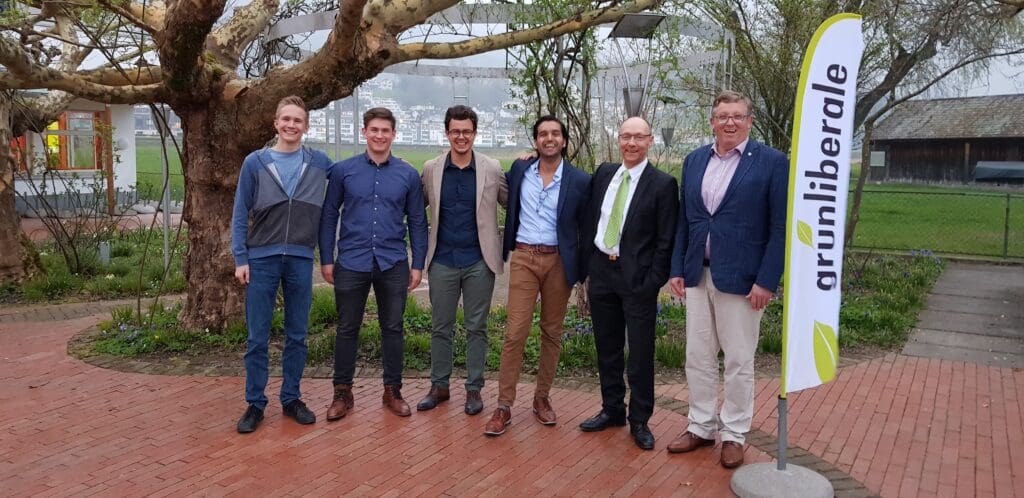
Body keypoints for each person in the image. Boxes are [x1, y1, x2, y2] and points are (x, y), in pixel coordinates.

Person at [666, 91, 787, 468]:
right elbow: (686, 220)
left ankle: (734, 433)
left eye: (737, 116)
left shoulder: (772, 162)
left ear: (750, 121)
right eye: (722, 116)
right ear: (712, 122)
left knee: (738, 360)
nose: (729, 122)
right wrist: (676, 268)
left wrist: (767, 280)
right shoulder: (694, 160)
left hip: (744, 280)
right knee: (697, 356)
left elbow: (780, 227)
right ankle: (701, 426)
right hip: (697, 275)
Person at [483, 115, 591, 436]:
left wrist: (582, 267)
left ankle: (541, 398)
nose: (549, 138)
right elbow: (493, 182)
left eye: (555, 133)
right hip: (524, 258)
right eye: (543, 134)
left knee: (552, 332)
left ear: (564, 141)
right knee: (515, 332)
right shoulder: (520, 170)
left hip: (559, 261)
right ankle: (504, 406)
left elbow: (586, 226)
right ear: (535, 141)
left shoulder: (579, 180)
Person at [232, 95, 333, 433]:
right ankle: (255, 403)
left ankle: (291, 398)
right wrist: (241, 257)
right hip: (261, 258)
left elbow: (351, 177)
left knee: (298, 334)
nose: (291, 125)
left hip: (300, 259)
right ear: (276, 123)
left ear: (306, 126)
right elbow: (239, 212)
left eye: (297, 120)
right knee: (257, 337)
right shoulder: (255, 163)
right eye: (286, 119)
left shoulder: (319, 162)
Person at [320, 107, 428, 419]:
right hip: (351, 260)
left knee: (393, 327)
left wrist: (417, 264)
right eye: (374, 130)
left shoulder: (408, 175)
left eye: (385, 130)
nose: (379, 135)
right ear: (364, 132)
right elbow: (329, 215)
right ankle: (342, 392)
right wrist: (326, 258)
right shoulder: (343, 171)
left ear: (393, 134)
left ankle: (392, 390)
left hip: (392, 262)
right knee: (347, 328)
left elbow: (418, 221)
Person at [578, 116, 678, 450]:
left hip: (637, 280)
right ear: (618, 140)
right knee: (607, 348)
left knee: (640, 354)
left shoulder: (662, 184)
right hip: (601, 272)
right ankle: (612, 409)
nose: (631, 143)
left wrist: (652, 281)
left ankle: (639, 420)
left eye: (638, 137)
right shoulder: (605, 173)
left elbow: (666, 240)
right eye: (625, 137)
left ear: (650, 141)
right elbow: (589, 215)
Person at [416, 105, 508, 416]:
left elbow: (513, 203)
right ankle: (439, 386)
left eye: (466, 131)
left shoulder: (491, 168)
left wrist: (529, 166)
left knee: (476, 327)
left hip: (479, 261)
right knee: (440, 326)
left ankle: (474, 389)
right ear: (447, 133)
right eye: (455, 131)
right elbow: (415, 206)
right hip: (442, 259)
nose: (461, 137)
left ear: (475, 133)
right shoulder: (431, 168)